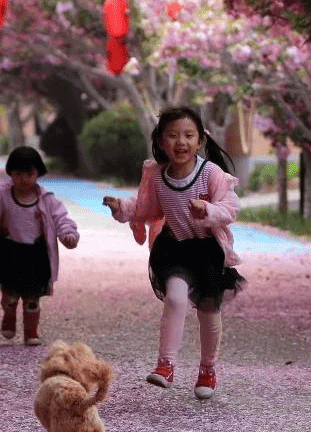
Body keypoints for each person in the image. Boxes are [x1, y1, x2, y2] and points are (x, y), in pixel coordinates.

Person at [102, 106, 246, 400]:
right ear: (160, 141)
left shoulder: (210, 174)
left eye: (188, 135)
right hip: (174, 249)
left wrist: (208, 209)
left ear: (199, 141)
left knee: (209, 311)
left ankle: (207, 369)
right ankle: (165, 365)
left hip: (207, 252)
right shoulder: (156, 176)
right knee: (176, 298)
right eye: (173, 135)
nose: (181, 142)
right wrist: (122, 208)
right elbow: (146, 209)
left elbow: (231, 209)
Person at [0, 146, 79, 346]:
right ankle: (9, 316)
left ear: (38, 173)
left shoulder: (46, 200)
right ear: (10, 173)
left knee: (32, 299)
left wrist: (68, 235)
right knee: (10, 295)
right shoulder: (0, 194)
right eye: (18, 174)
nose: (23, 179)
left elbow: (61, 218)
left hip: (36, 256)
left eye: (29, 174)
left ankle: (31, 332)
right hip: (8, 253)